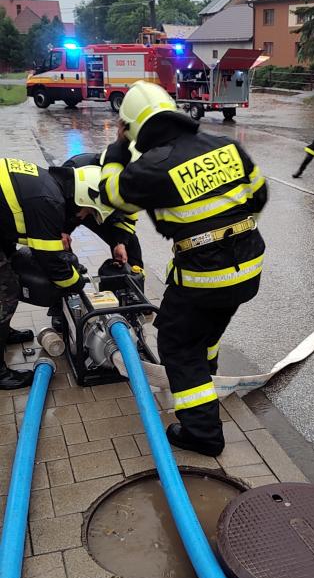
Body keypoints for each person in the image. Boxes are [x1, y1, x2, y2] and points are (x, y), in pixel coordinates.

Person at [99, 81, 267, 457]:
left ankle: (202, 433)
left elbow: (110, 193)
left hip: (206, 275)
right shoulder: (225, 146)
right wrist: (231, 237)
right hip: (248, 265)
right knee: (206, 333)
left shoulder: (152, 167)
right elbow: (259, 194)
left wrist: (118, 149)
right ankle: (208, 380)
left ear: (134, 127)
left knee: (178, 346)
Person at [0, 158, 106, 388]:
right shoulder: (50, 201)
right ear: (81, 199)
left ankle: (4, 333)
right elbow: (50, 262)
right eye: (88, 211)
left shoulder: (50, 186)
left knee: (8, 277)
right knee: (6, 292)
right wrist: (76, 283)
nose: (83, 217)